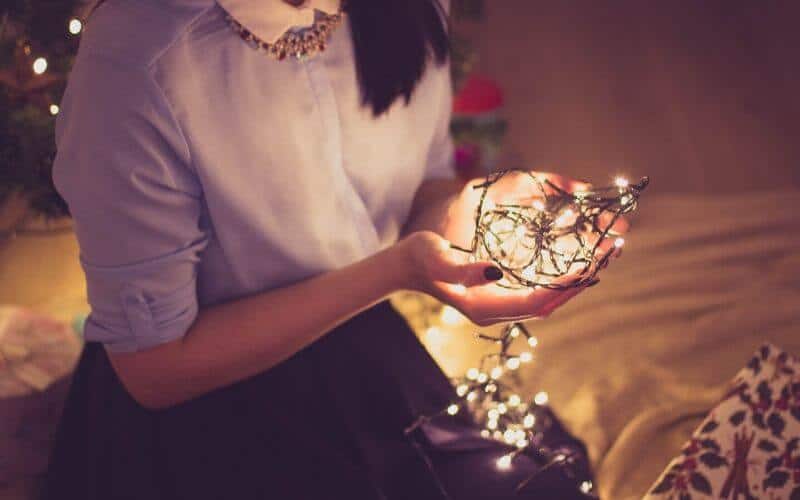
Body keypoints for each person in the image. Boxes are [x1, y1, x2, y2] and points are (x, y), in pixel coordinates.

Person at [43, 0, 613, 498]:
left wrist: (486, 209)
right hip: (206, 414)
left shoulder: (409, 9)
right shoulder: (137, 60)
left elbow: (420, 190)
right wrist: (398, 270)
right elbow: (155, 372)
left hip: (362, 348)